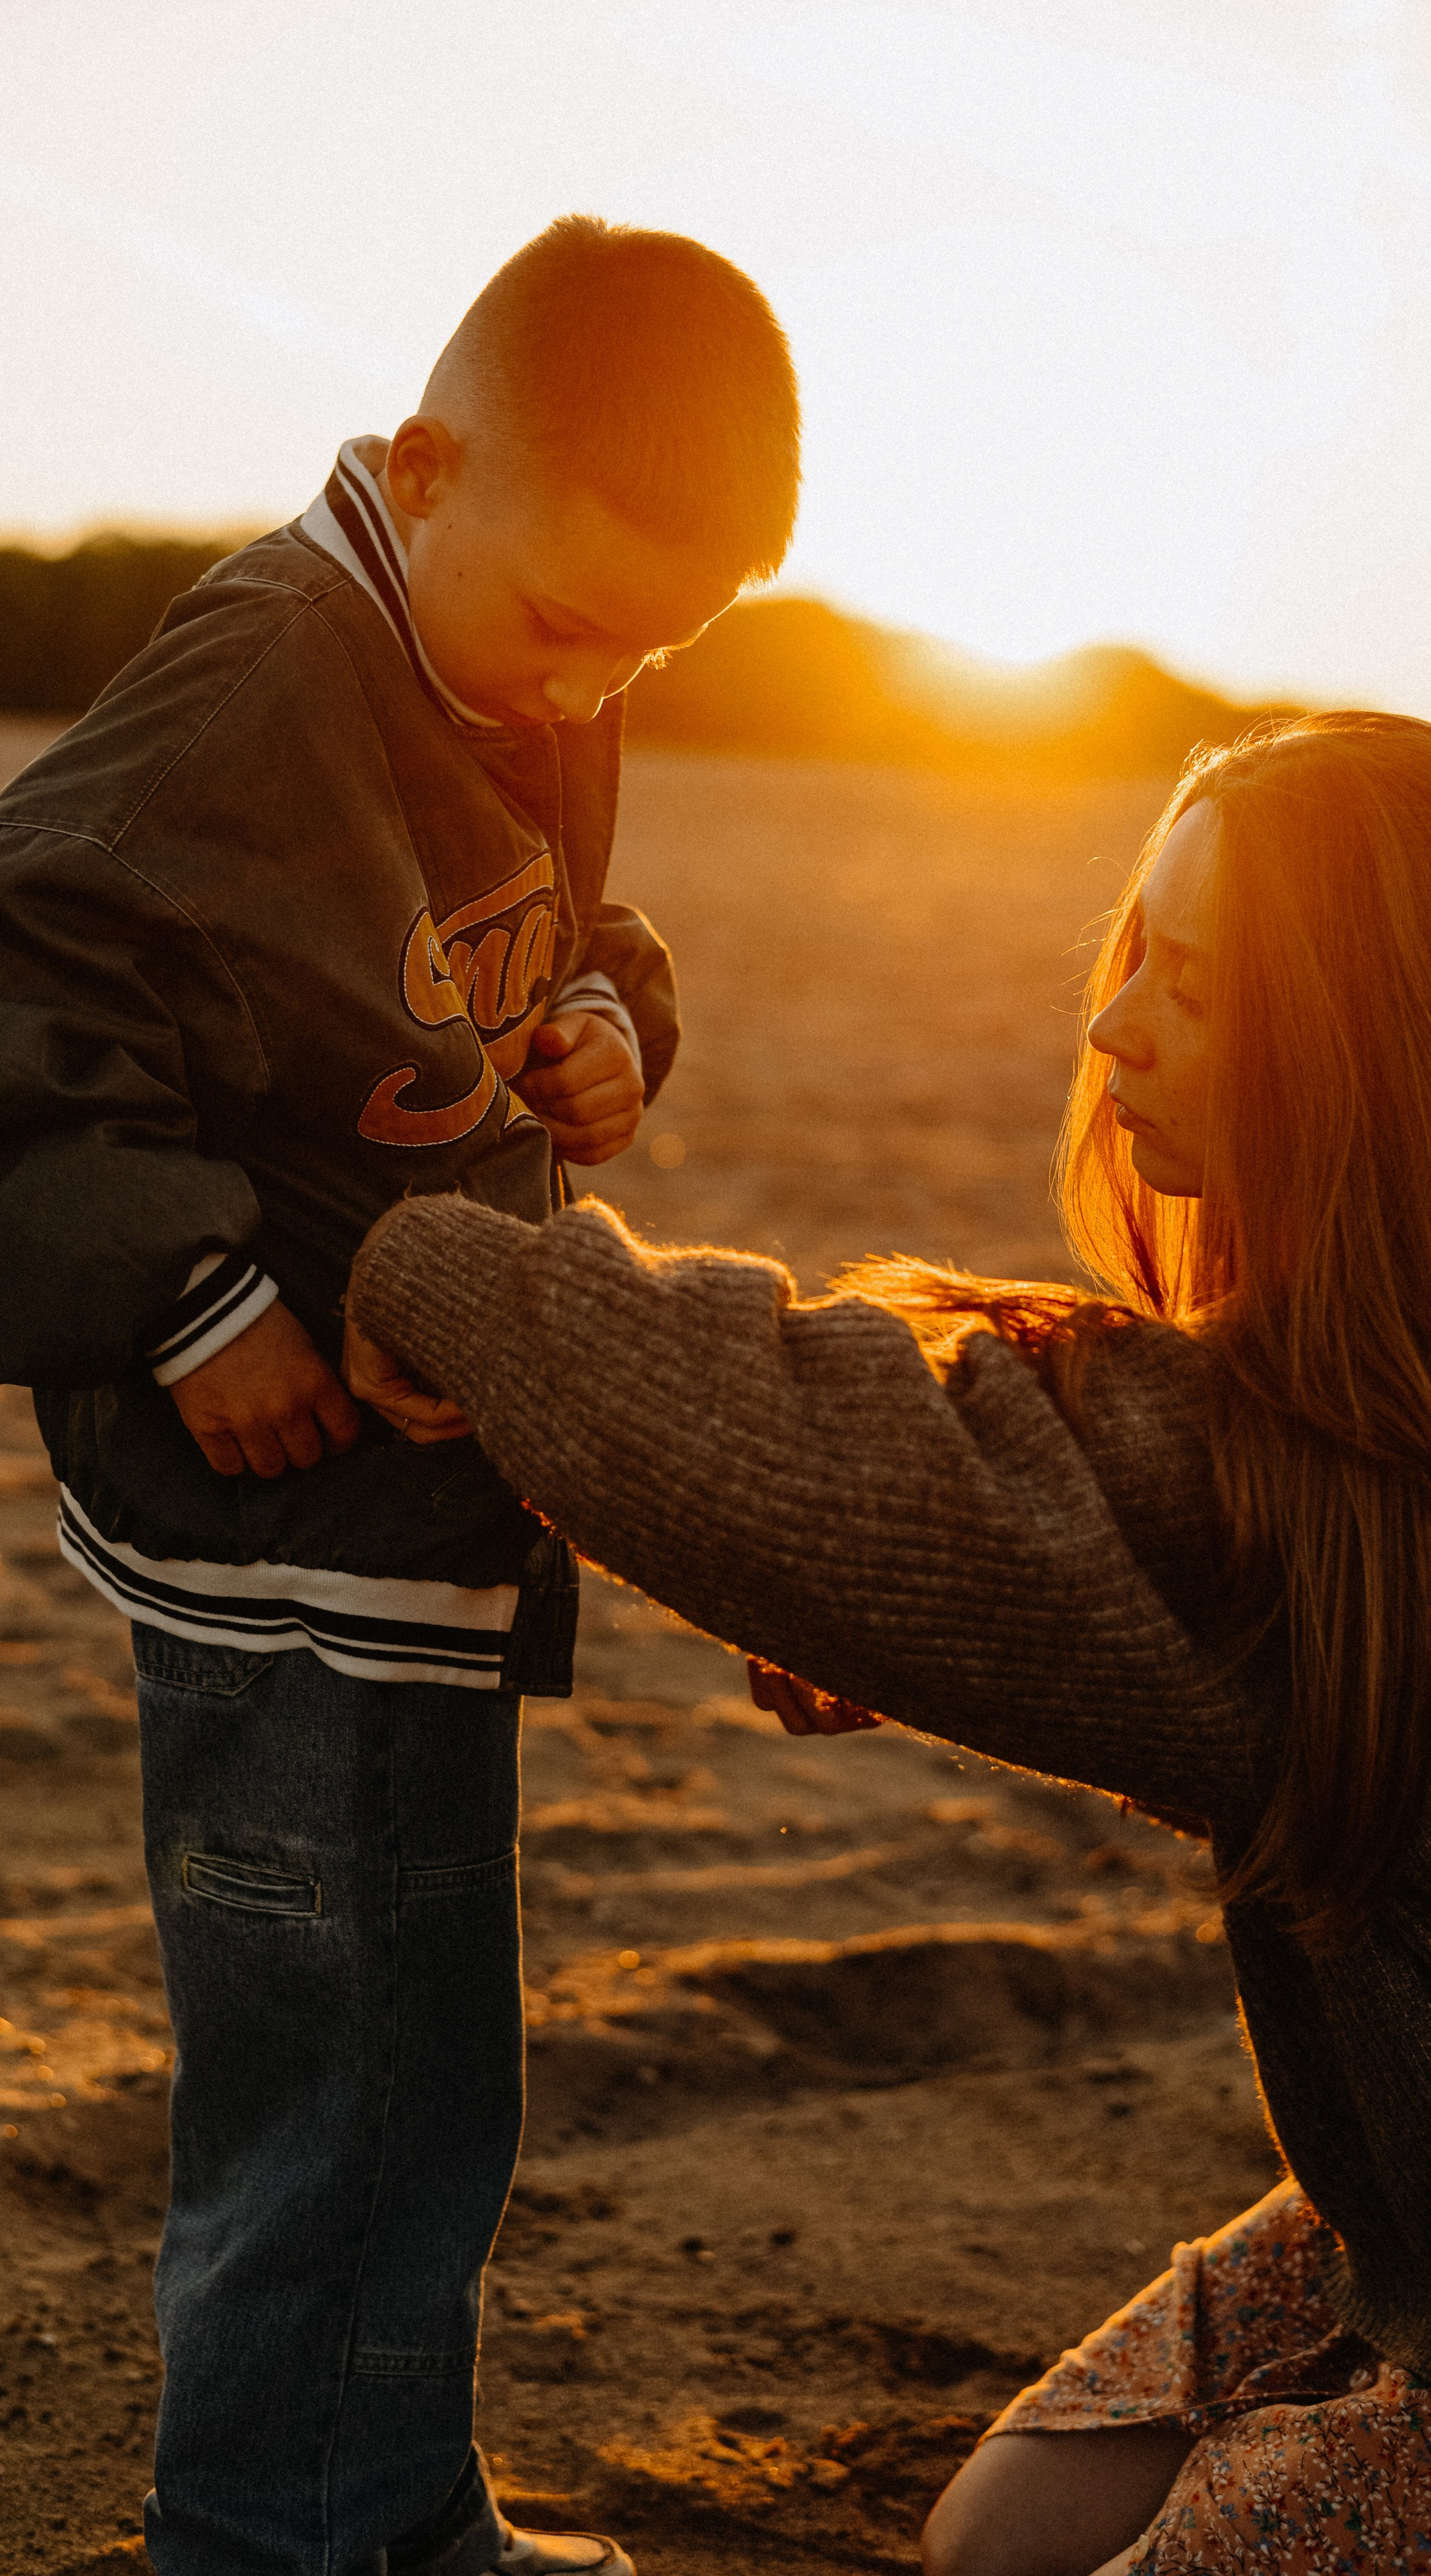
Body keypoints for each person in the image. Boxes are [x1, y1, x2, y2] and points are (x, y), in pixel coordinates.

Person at [0, 216, 800, 2576]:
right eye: (575, 626)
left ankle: (384, 2513)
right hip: (274, 1517)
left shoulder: (509, 652)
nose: (588, 687)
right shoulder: (268, 669)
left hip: (417, 1505)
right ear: (424, 458)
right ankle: (268, 2534)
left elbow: (554, 932)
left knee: (422, 2065)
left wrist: (608, 1027)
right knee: (329, 2071)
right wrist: (190, 1296)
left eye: (652, 652)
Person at [343, 711, 1431, 2576]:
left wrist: (431, 1267)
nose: (1113, 1027)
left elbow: (816, 1441)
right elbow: (1174, 1635)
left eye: (1195, 976)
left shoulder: (1305, 1495)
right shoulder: (1335, 1452)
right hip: (1392, 2209)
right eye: (1130, 954)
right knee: (997, 2535)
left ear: (1354, 1042)